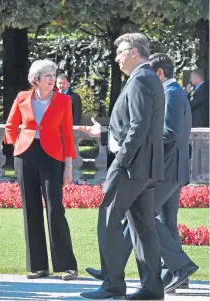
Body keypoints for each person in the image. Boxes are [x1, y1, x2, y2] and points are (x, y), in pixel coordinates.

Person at [83, 53, 198, 294]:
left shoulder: (171, 93)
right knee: (154, 220)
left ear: (159, 73)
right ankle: (174, 272)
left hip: (165, 167)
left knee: (144, 220)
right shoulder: (171, 91)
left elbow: (168, 132)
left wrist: (133, 154)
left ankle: (178, 266)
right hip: (165, 167)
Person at [80, 33, 165, 300]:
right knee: (142, 227)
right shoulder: (148, 78)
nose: (116, 58)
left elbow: (139, 127)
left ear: (133, 52)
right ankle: (152, 288)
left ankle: (112, 284)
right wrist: (105, 134)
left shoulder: (140, 78)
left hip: (131, 166)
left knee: (108, 219)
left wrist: (123, 159)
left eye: (119, 53)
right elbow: (135, 126)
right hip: (145, 168)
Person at [4, 59, 78, 281]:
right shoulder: (22, 98)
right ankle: (38, 266)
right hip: (25, 156)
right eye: (47, 74)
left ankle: (67, 266)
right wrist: (17, 145)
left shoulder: (64, 100)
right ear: (36, 78)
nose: (52, 78)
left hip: (53, 157)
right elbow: (10, 126)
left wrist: (68, 167)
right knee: (31, 210)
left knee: (55, 210)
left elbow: (67, 134)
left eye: (53, 74)